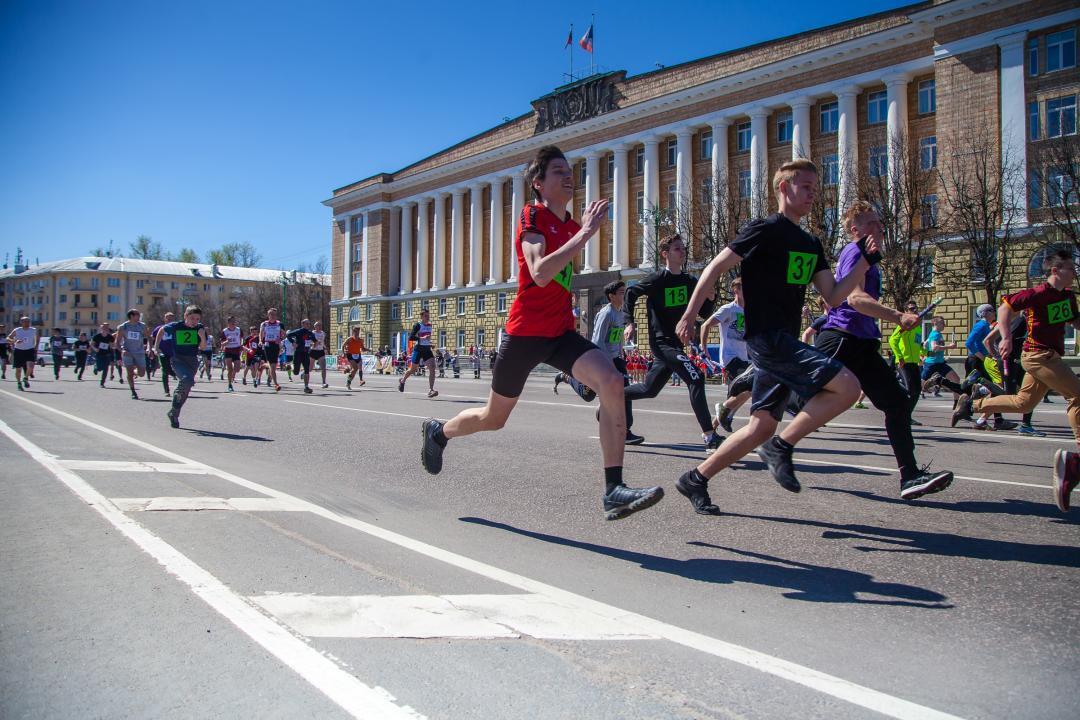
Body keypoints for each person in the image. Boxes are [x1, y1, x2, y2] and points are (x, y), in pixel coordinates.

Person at [419, 145, 663, 520]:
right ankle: (438, 433)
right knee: (493, 418)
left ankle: (613, 488)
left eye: (570, 171)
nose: (569, 176)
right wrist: (583, 235)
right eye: (558, 172)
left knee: (613, 382)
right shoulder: (532, 216)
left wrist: (578, 234)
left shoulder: (568, 226)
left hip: (561, 333)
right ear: (539, 183)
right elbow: (539, 272)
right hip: (525, 335)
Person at [670, 158, 878, 515]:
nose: (814, 193)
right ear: (784, 188)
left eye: (816, 186)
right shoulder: (763, 229)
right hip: (767, 340)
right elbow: (715, 267)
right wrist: (689, 314)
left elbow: (833, 295)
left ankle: (695, 478)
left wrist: (866, 260)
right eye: (806, 187)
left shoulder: (811, 243)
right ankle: (783, 445)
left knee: (760, 426)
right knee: (847, 387)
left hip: (785, 341)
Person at [808, 201, 954, 499]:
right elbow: (855, 299)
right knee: (797, 396)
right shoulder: (855, 252)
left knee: (897, 403)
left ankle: (910, 476)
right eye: (871, 223)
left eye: (879, 222)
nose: (879, 228)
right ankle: (755, 380)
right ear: (855, 230)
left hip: (862, 343)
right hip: (841, 338)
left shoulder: (870, 259)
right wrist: (898, 316)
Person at [949, 250, 1080, 511]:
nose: (1075, 272)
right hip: (1038, 355)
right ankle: (1075, 461)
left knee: (1023, 403)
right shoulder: (1038, 293)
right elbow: (1005, 306)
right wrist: (1006, 337)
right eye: (1070, 267)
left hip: (1049, 356)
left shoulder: (1067, 297)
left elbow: (1076, 322)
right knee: (1077, 396)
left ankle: (972, 405)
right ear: (1055, 271)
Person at [621, 234, 722, 452]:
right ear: (665, 254)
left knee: (649, 389)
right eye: (677, 248)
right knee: (695, 377)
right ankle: (709, 435)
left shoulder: (689, 281)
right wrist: (629, 322)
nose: (682, 251)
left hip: (676, 346)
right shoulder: (657, 279)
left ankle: (614, 397)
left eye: (683, 247)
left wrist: (711, 298)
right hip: (661, 342)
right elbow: (630, 292)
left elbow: (702, 313)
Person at [554, 281, 644, 445]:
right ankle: (567, 377)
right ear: (612, 296)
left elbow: (616, 338)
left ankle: (623, 430)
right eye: (622, 292)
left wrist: (621, 354)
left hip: (616, 359)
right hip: (605, 359)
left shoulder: (620, 312)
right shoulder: (606, 313)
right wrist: (607, 363)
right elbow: (597, 340)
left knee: (625, 393)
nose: (624, 295)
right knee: (589, 394)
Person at [983, 313, 1044, 436]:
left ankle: (1026, 425)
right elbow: (987, 340)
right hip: (1009, 361)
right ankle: (981, 386)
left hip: (1022, 361)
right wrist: (998, 356)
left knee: (1029, 392)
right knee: (1009, 395)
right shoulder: (1021, 321)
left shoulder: (1030, 321)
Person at [960, 304, 1012, 430]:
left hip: (982, 360)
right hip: (976, 361)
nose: (994, 312)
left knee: (995, 388)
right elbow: (969, 343)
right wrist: (983, 357)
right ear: (984, 313)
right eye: (991, 310)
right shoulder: (981, 325)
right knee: (992, 388)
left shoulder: (988, 325)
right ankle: (966, 408)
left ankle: (996, 419)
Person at [160, 305, 208, 429]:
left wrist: (202, 336)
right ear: (185, 316)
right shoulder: (176, 326)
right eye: (192, 318)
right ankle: (175, 407)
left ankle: (173, 413)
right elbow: (162, 330)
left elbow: (202, 348)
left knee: (186, 388)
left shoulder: (200, 328)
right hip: (178, 360)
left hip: (192, 361)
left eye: (197, 319)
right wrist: (155, 346)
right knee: (186, 380)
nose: (195, 321)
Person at [888, 302, 925, 422]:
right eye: (911, 309)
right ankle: (899, 414)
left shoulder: (917, 326)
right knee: (909, 389)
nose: (914, 311)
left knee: (917, 390)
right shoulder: (904, 325)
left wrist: (923, 352)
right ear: (906, 311)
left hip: (914, 362)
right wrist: (900, 357)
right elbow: (892, 340)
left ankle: (907, 416)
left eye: (916, 308)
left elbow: (917, 342)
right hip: (903, 361)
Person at [920, 317, 963, 397]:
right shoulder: (935, 334)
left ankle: (956, 402)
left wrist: (929, 354)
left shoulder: (934, 334)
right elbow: (934, 348)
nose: (944, 325)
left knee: (956, 379)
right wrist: (949, 347)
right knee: (921, 385)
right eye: (942, 323)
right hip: (931, 364)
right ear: (936, 323)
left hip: (940, 363)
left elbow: (926, 346)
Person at [400, 309, 438, 398]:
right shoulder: (418, 325)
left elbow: (427, 338)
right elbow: (411, 337)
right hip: (418, 349)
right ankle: (402, 380)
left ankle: (431, 390)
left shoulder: (430, 325)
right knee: (413, 370)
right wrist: (422, 338)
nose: (428, 317)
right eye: (426, 316)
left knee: (432, 367)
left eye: (428, 316)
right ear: (421, 317)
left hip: (427, 349)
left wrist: (430, 343)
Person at [114, 309, 148, 400]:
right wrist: (122, 350)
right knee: (129, 373)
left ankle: (135, 371)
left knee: (141, 373)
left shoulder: (142, 326)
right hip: (127, 352)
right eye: (137, 314)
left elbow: (149, 338)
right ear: (131, 316)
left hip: (139, 352)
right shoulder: (123, 327)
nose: (139, 316)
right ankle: (133, 391)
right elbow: (117, 342)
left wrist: (149, 348)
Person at [7, 317, 39, 390]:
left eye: (28, 321)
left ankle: (25, 378)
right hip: (19, 351)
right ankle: (19, 383)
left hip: (29, 350)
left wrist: (35, 346)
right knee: (18, 369)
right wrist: (14, 341)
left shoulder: (33, 330)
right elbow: (8, 338)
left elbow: (37, 338)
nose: (27, 323)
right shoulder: (17, 330)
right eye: (25, 321)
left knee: (30, 366)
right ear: (21, 322)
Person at [287, 319, 317, 394]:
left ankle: (306, 387)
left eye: (309, 324)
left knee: (307, 370)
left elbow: (315, 341)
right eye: (306, 324)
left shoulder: (310, 333)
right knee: (296, 372)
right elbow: (288, 335)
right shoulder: (299, 331)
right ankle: (290, 366)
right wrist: (293, 342)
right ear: (302, 324)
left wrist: (312, 347)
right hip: (298, 353)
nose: (308, 325)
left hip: (306, 353)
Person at [151, 313, 177, 396]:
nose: (169, 320)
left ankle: (181, 383)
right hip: (163, 352)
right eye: (168, 318)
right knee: (165, 370)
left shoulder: (176, 329)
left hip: (174, 352)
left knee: (176, 368)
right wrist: (154, 348)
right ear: (165, 319)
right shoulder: (159, 328)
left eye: (171, 319)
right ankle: (166, 390)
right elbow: (153, 339)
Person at [259, 308, 284, 391]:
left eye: (274, 314)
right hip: (268, 345)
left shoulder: (279, 324)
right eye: (271, 314)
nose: (273, 316)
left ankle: (263, 366)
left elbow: (283, 334)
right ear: (268, 315)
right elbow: (261, 334)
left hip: (276, 345)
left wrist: (280, 339)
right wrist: (260, 341)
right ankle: (276, 384)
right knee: (273, 366)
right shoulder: (264, 324)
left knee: (273, 365)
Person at [91, 323, 115, 388]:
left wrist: (112, 346)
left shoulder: (110, 337)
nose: (105, 329)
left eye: (107, 328)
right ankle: (96, 368)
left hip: (107, 354)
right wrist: (95, 349)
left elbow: (112, 345)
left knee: (105, 369)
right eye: (104, 328)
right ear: (101, 328)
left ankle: (102, 383)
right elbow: (92, 344)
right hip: (99, 354)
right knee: (99, 368)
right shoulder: (97, 336)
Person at [311, 321, 329, 388]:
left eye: (319, 325)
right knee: (310, 369)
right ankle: (304, 373)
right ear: (314, 326)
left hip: (320, 351)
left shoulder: (323, 333)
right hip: (313, 351)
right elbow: (309, 342)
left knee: (323, 368)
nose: (319, 326)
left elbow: (323, 341)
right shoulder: (312, 333)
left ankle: (324, 383)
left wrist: (325, 348)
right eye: (317, 325)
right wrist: (313, 344)